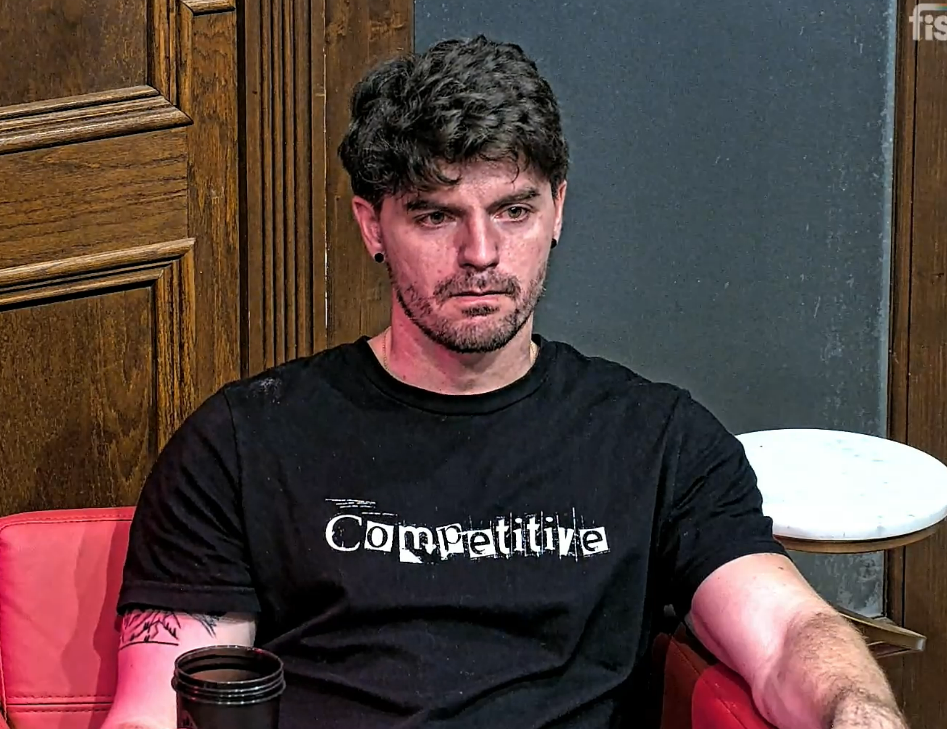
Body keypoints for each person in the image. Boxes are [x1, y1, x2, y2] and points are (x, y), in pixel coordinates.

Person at [102, 35, 907, 729]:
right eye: (435, 215)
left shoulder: (655, 439)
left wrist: (858, 710)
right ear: (371, 225)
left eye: (514, 211)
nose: (481, 254)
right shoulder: (245, 442)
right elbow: (156, 708)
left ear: (558, 209)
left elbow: (786, 634)